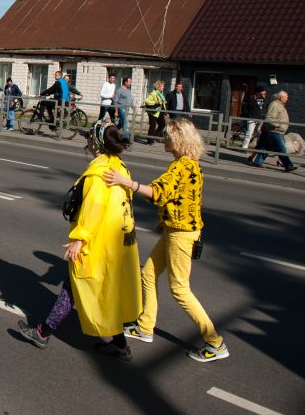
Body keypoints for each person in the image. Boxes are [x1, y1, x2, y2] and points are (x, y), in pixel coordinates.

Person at [104, 118, 229, 363]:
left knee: (180, 289)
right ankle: (145, 327)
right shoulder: (190, 165)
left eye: (168, 136)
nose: (164, 139)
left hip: (181, 235)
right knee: (148, 273)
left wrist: (125, 182)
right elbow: (181, 200)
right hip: (177, 231)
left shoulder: (182, 167)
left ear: (179, 140)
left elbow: (159, 193)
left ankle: (215, 342)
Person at [17, 121, 141, 359]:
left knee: (75, 285)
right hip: (117, 243)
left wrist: (79, 239)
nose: (85, 141)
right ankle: (120, 345)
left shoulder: (98, 174)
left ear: (95, 143)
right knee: (96, 291)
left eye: (87, 137)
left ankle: (43, 332)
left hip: (99, 242)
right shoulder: (119, 167)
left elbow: (94, 209)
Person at [250, 91, 296, 172]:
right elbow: (269, 118)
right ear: (281, 98)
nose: (287, 99)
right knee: (281, 149)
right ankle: (288, 166)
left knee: (266, 146)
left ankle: (257, 161)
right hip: (275, 131)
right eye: (286, 97)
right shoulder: (275, 104)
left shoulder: (280, 105)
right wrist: (278, 125)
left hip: (278, 131)